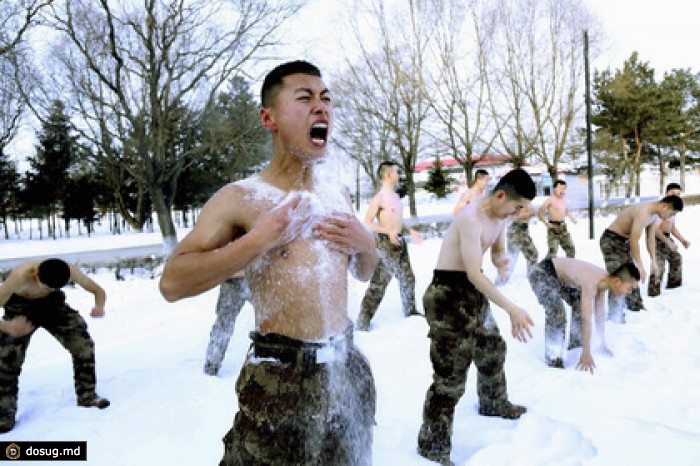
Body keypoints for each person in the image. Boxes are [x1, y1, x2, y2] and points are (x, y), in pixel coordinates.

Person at [159, 60, 378, 465]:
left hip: (347, 367)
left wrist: (367, 245)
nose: (321, 108)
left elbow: (363, 272)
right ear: (268, 117)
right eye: (305, 98)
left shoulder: (337, 194)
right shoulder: (241, 198)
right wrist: (259, 240)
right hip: (282, 379)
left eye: (326, 99)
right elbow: (172, 283)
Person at [417, 168, 536, 466]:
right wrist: (512, 308)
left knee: (492, 347)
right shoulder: (470, 218)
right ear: (499, 195)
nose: (519, 213)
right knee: (450, 377)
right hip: (446, 294)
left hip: (472, 291)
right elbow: (471, 271)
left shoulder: (501, 216)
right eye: (517, 206)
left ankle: (493, 402)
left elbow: (496, 249)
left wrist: (502, 261)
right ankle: (433, 446)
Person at [0, 258, 110, 433]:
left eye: (53, 287)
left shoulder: (69, 270)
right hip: (19, 309)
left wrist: (99, 307)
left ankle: (87, 395)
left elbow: (98, 290)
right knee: (6, 359)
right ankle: (4, 414)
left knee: (83, 345)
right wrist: (8, 327)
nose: (47, 289)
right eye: (46, 286)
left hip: (53, 306)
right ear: (35, 275)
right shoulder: (20, 276)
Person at [528, 258, 640, 371]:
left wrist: (602, 344)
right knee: (557, 312)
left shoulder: (604, 282)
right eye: (629, 288)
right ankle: (554, 357)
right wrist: (586, 353)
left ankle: (576, 345)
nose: (629, 293)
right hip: (541, 272)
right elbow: (586, 318)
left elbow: (599, 315)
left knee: (579, 304)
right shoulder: (592, 281)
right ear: (617, 281)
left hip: (558, 278)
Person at [356, 160, 422, 331]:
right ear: (387, 175)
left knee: (408, 278)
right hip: (386, 244)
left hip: (400, 242)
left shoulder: (396, 197)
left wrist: (410, 230)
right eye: (396, 172)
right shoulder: (379, 198)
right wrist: (388, 232)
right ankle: (362, 323)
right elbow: (368, 222)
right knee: (379, 284)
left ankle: (411, 311)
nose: (398, 175)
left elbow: (399, 221)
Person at [599, 195, 683, 322]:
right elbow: (634, 239)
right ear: (664, 206)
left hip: (624, 242)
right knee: (619, 275)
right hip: (611, 240)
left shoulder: (655, 215)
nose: (669, 218)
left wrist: (653, 261)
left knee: (631, 276)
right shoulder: (644, 211)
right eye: (671, 214)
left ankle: (635, 307)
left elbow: (650, 239)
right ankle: (615, 315)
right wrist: (640, 265)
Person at [203, 272, 251, 376]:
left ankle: (272, 361)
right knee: (223, 324)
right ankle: (211, 366)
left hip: (257, 276)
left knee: (269, 320)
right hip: (233, 280)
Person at [648, 183, 690, 297]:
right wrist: (668, 242)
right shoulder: (662, 208)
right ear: (666, 193)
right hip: (657, 239)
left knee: (676, 258)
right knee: (658, 265)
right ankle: (653, 292)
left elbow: (672, 227)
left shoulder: (674, 208)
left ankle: (674, 287)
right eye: (673, 193)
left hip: (667, 237)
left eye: (678, 194)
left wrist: (682, 240)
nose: (676, 195)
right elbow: (655, 230)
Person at [538, 179, 577, 258]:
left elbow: (566, 210)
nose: (562, 191)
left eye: (564, 188)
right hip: (553, 227)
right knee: (552, 252)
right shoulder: (549, 200)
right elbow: (540, 213)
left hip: (563, 227)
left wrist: (572, 218)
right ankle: (546, 269)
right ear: (554, 188)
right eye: (560, 188)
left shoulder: (564, 200)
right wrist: (546, 223)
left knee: (571, 250)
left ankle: (568, 268)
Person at [503, 204, 538, 282]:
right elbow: (515, 217)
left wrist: (528, 213)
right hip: (515, 231)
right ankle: (501, 280)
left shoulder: (527, 201)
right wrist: (529, 213)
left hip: (524, 231)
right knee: (511, 257)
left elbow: (533, 212)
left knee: (533, 254)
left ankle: (531, 275)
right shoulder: (516, 200)